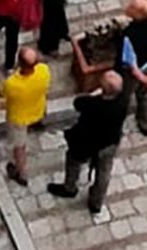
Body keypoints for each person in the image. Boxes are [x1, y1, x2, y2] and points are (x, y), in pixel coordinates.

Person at [48, 69, 130, 219]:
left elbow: (78, 103)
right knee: (103, 172)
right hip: (110, 142)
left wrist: (94, 95)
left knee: (73, 161)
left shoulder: (94, 105)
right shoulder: (123, 100)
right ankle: (96, 202)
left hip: (87, 142)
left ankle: (70, 187)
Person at [0, 43, 50, 186]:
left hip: (19, 118)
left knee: (19, 147)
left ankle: (21, 173)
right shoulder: (44, 71)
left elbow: (1, 93)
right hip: (38, 109)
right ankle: (39, 124)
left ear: (19, 63)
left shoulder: (12, 83)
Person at [117, 0, 147, 136]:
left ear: (138, 15)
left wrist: (143, 79)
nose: (128, 6)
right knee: (143, 94)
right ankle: (145, 123)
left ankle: (117, 124)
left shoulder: (130, 35)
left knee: (123, 97)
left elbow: (131, 63)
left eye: (131, 7)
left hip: (133, 73)